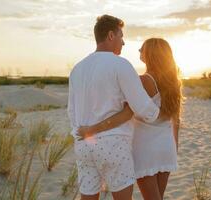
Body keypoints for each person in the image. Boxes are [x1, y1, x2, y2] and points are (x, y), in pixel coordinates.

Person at [67, 15, 162, 200]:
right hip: (113, 144)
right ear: (111, 35)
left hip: (83, 143)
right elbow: (142, 108)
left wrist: (81, 133)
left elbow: (71, 111)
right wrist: (156, 111)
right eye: (121, 36)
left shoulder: (77, 68)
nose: (124, 42)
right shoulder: (120, 65)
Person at [78, 38, 182, 200]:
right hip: (166, 146)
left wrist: (92, 130)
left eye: (142, 49)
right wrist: (174, 148)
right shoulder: (173, 83)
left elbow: (127, 114)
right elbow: (176, 121)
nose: (139, 51)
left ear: (150, 54)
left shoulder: (144, 80)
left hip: (146, 149)